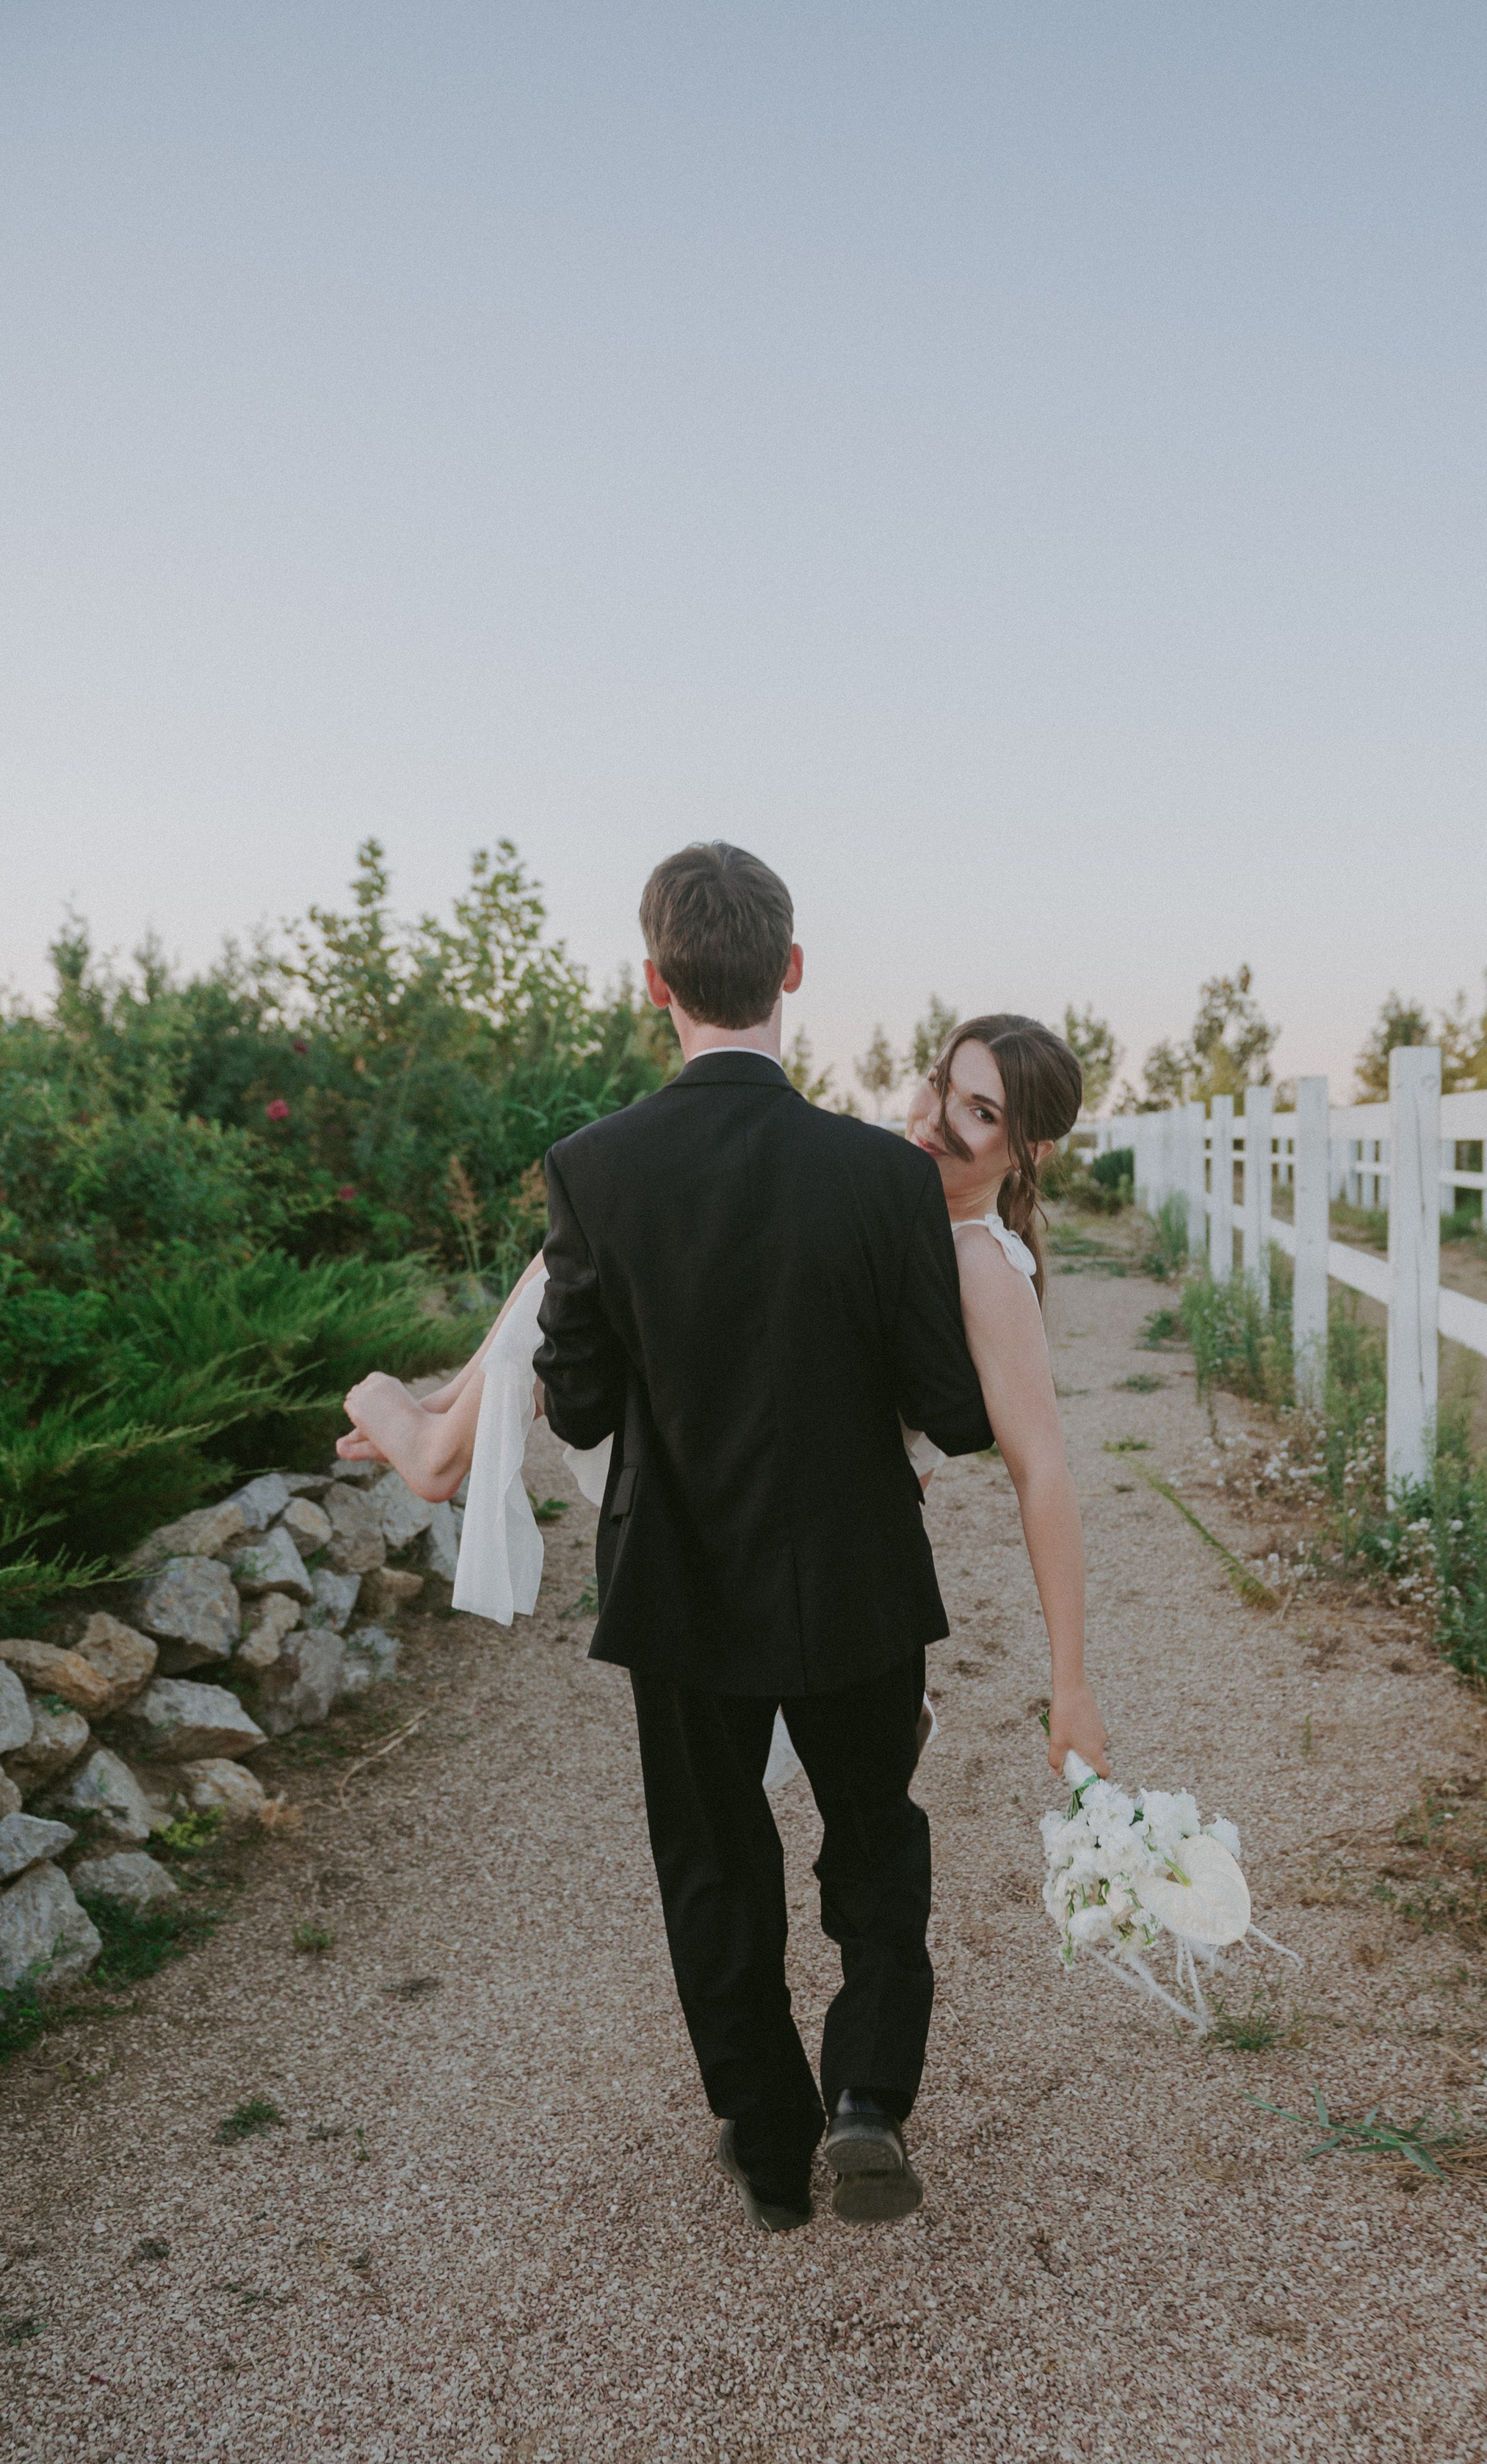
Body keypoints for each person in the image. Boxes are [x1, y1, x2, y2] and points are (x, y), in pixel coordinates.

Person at [339, 844, 1109, 2234]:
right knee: (878, 1843)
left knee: (713, 1861)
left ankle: (767, 2145)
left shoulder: (594, 1168)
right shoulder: (883, 1178)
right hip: (862, 1585)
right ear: (793, 972)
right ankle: (869, 2096)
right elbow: (950, 1407)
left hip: (683, 1586)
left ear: (655, 985)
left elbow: (574, 1394)